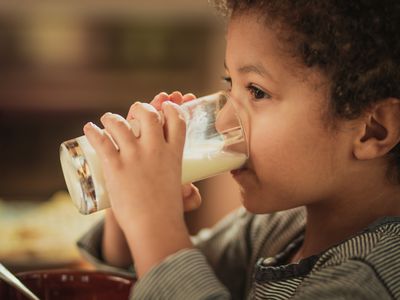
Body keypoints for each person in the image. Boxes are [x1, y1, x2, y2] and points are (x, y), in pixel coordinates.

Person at [78, 0, 400, 299]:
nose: (222, 120)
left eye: (257, 92)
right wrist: (129, 213)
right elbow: (149, 280)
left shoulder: (371, 279)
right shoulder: (276, 230)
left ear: (373, 130)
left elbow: (167, 271)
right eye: (229, 82)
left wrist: (153, 222)